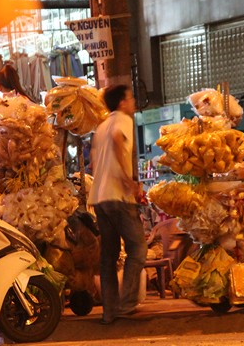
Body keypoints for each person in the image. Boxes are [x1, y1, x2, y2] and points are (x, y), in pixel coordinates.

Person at [88, 84, 148, 325]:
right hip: (117, 195)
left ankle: (109, 310)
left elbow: (94, 162)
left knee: (108, 256)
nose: (133, 102)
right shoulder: (122, 120)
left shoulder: (101, 126)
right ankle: (127, 303)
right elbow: (116, 142)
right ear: (122, 103)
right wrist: (128, 180)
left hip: (100, 197)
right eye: (131, 98)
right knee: (138, 248)